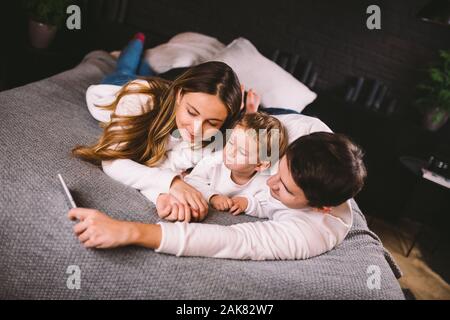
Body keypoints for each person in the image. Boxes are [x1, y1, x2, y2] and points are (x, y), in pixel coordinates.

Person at [68, 132, 367, 260]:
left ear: (323, 207)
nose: (271, 182)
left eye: (285, 189)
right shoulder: (306, 140)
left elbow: (234, 242)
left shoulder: (311, 233)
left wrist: (128, 230)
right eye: (278, 169)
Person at [158, 112, 288, 221]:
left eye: (242, 152)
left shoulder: (265, 181)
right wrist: (213, 197)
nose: (231, 152)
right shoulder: (215, 161)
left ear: (260, 164)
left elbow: (268, 207)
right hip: (196, 174)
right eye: (231, 142)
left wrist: (247, 203)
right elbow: (191, 181)